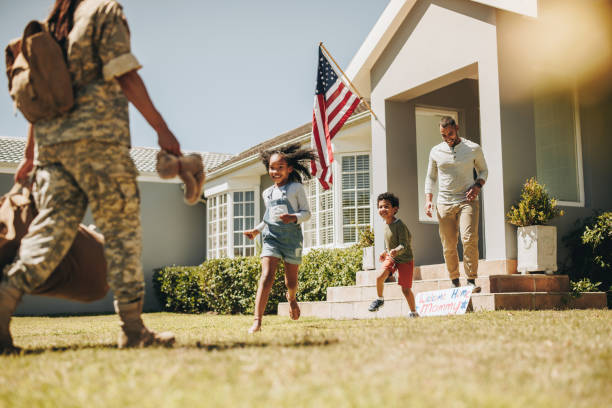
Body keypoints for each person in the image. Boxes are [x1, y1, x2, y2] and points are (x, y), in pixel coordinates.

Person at [1, 0, 182, 354]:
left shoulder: (54, 21)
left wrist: (29, 155)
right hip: (100, 145)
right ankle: (132, 329)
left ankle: (5, 298)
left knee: (49, 233)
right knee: (122, 235)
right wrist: (162, 130)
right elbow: (124, 73)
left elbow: (42, 97)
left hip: (53, 152)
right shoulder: (104, 11)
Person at [243, 143, 316, 333]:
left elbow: (307, 213)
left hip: (292, 240)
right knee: (266, 276)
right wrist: (257, 231)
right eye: (272, 167)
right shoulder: (267, 193)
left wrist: (294, 217)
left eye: (279, 167)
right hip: (271, 238)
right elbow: (269, 218)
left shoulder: (295, 188)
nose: (275, 171)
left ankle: (291, 299)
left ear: (289, 168)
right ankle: (257, 322)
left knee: (291, 283)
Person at [424, 116, 488, 292]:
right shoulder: (436, 151)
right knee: (449, 244)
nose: (447, 138)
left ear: (457, 128)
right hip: (444, 202)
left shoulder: (473, 148)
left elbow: (483, 170)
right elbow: (430, 177)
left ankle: (471, 280)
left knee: (469, 239)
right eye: (443, 135)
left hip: (467, 201)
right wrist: (428, 200)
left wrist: (477, 185)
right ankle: (454, 280)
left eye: (450, 134)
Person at [368, 193, 418, 318]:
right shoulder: (385, 225)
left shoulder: (400, 225)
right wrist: (385, 252)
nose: (382, 209)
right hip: (392, 258)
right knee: (380, 277)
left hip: (405, 259)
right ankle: (380, 299)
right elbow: (389, 244)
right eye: (380, 207)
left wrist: (396, 250)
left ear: (395, 209)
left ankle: (413, 312)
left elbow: (404, 244)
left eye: (386, 206)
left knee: (405, 290)